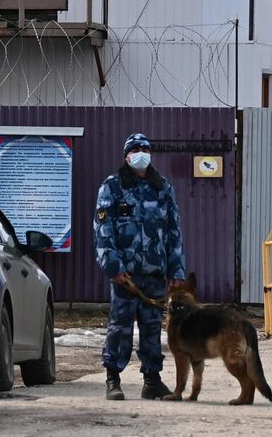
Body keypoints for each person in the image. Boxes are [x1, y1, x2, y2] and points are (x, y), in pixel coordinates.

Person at [93, 133, 186, 401]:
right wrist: (113, 267)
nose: (141, 153)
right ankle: (113, 378)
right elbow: (103, 231)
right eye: (135, 149)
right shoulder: (113, 187)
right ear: (126, 155)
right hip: (125, 275)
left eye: (145, 149)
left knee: (152, 327)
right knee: (120, 327)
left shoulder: (163, 188)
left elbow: (173, 231)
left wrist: (176, 270)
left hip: (154, 272)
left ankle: (152, 380)